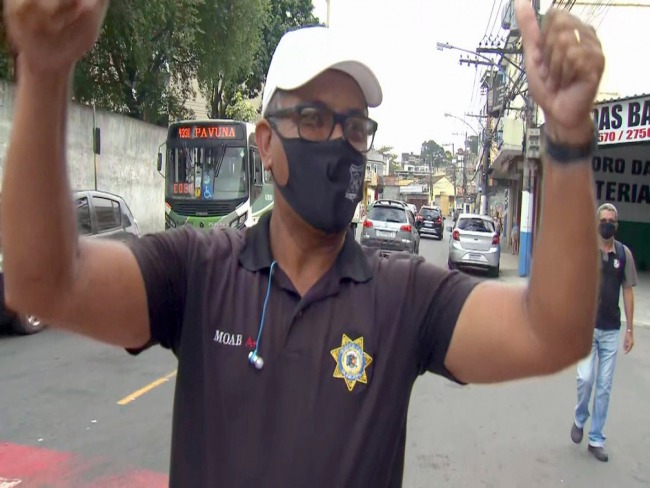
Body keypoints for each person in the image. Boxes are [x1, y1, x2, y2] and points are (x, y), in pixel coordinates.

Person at [1, 1, 605, 486]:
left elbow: (552, 331)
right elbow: (43, 283)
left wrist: (570, 140)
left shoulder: (403, 297)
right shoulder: (199, 271)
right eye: (314, 119)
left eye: (355, 127)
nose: (340, 142)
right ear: (266, 142)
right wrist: (46, 71)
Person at [570, 203, 637, 462]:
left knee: (604, 387)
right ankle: (579, 419)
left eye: (612, 220)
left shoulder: (624, 254)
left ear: (616, 226)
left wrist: (630, 329)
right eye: (604, 219)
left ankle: (596, 439)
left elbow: (628, 290)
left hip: (610, 331)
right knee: (586, 379)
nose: (607, 223)